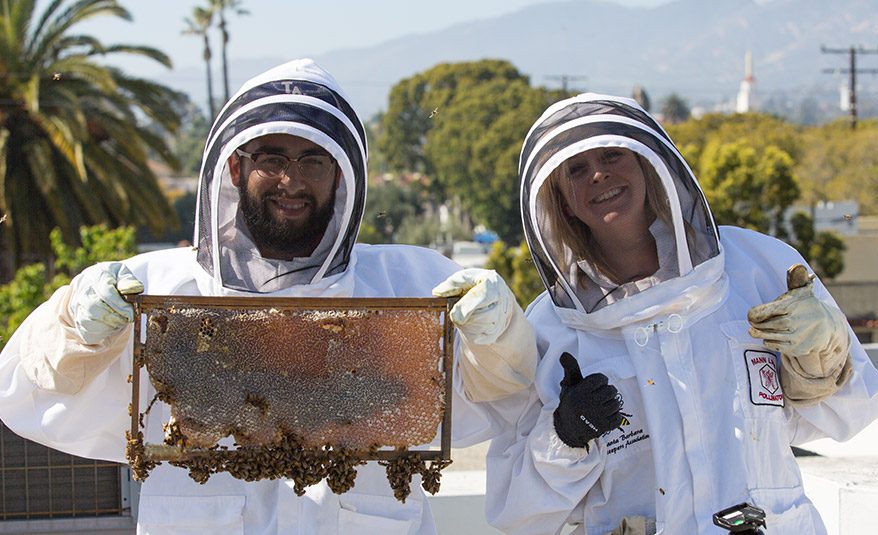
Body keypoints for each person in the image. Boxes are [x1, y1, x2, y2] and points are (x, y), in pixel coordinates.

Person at [0, 59, 534, 534]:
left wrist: (498, 333)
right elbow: (25, 392)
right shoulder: (162, 290)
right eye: (272, 158)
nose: (290, 180)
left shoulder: (405, 284)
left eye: (313, 161)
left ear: (342, 178)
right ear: (235, 168)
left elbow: (504, 395)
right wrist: (75, 327)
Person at [484, 93, 878, 534]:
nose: (599, 174)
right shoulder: (550, 330)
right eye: (576, 171)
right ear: (563, 202)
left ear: (648, 162)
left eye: (612, 154)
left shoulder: (756, 266)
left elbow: (851, 414)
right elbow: (516, 514)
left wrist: (824, 358)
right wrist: (564, 438)